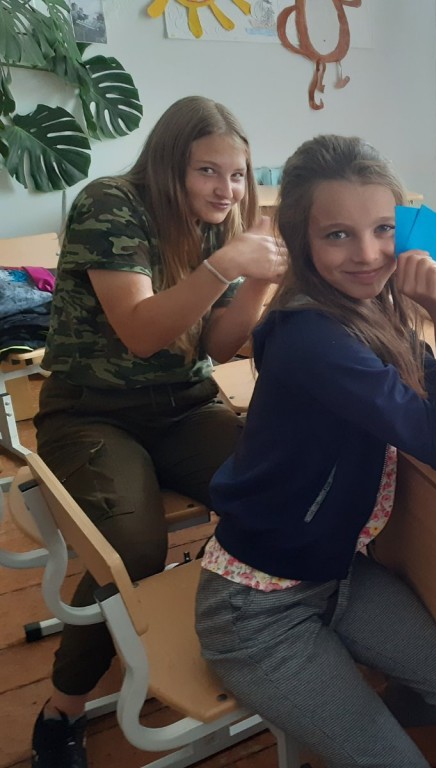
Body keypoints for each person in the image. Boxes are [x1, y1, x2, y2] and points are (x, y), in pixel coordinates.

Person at [193, 134, 436, 768]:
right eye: (337, 235)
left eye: (383, 229)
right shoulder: (313, 338)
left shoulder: (369, 311)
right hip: (258, 606)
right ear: (301, 240)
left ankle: (355, 724)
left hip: (337, 573)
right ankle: (355, 729)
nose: (368, 254)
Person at [30, 95, 287, 768]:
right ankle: (61, 708)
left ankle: (230, 627)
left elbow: (220, 346)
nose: (226, 190)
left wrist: (258, 283)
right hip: (90, 409)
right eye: (208, 171)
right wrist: (226, 266)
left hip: (184, 404)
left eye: (237, 175)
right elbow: (142, 333)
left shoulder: (218, 227)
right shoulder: (111, 204)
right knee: (131, 548)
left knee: (274, 486)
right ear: (171, 165)